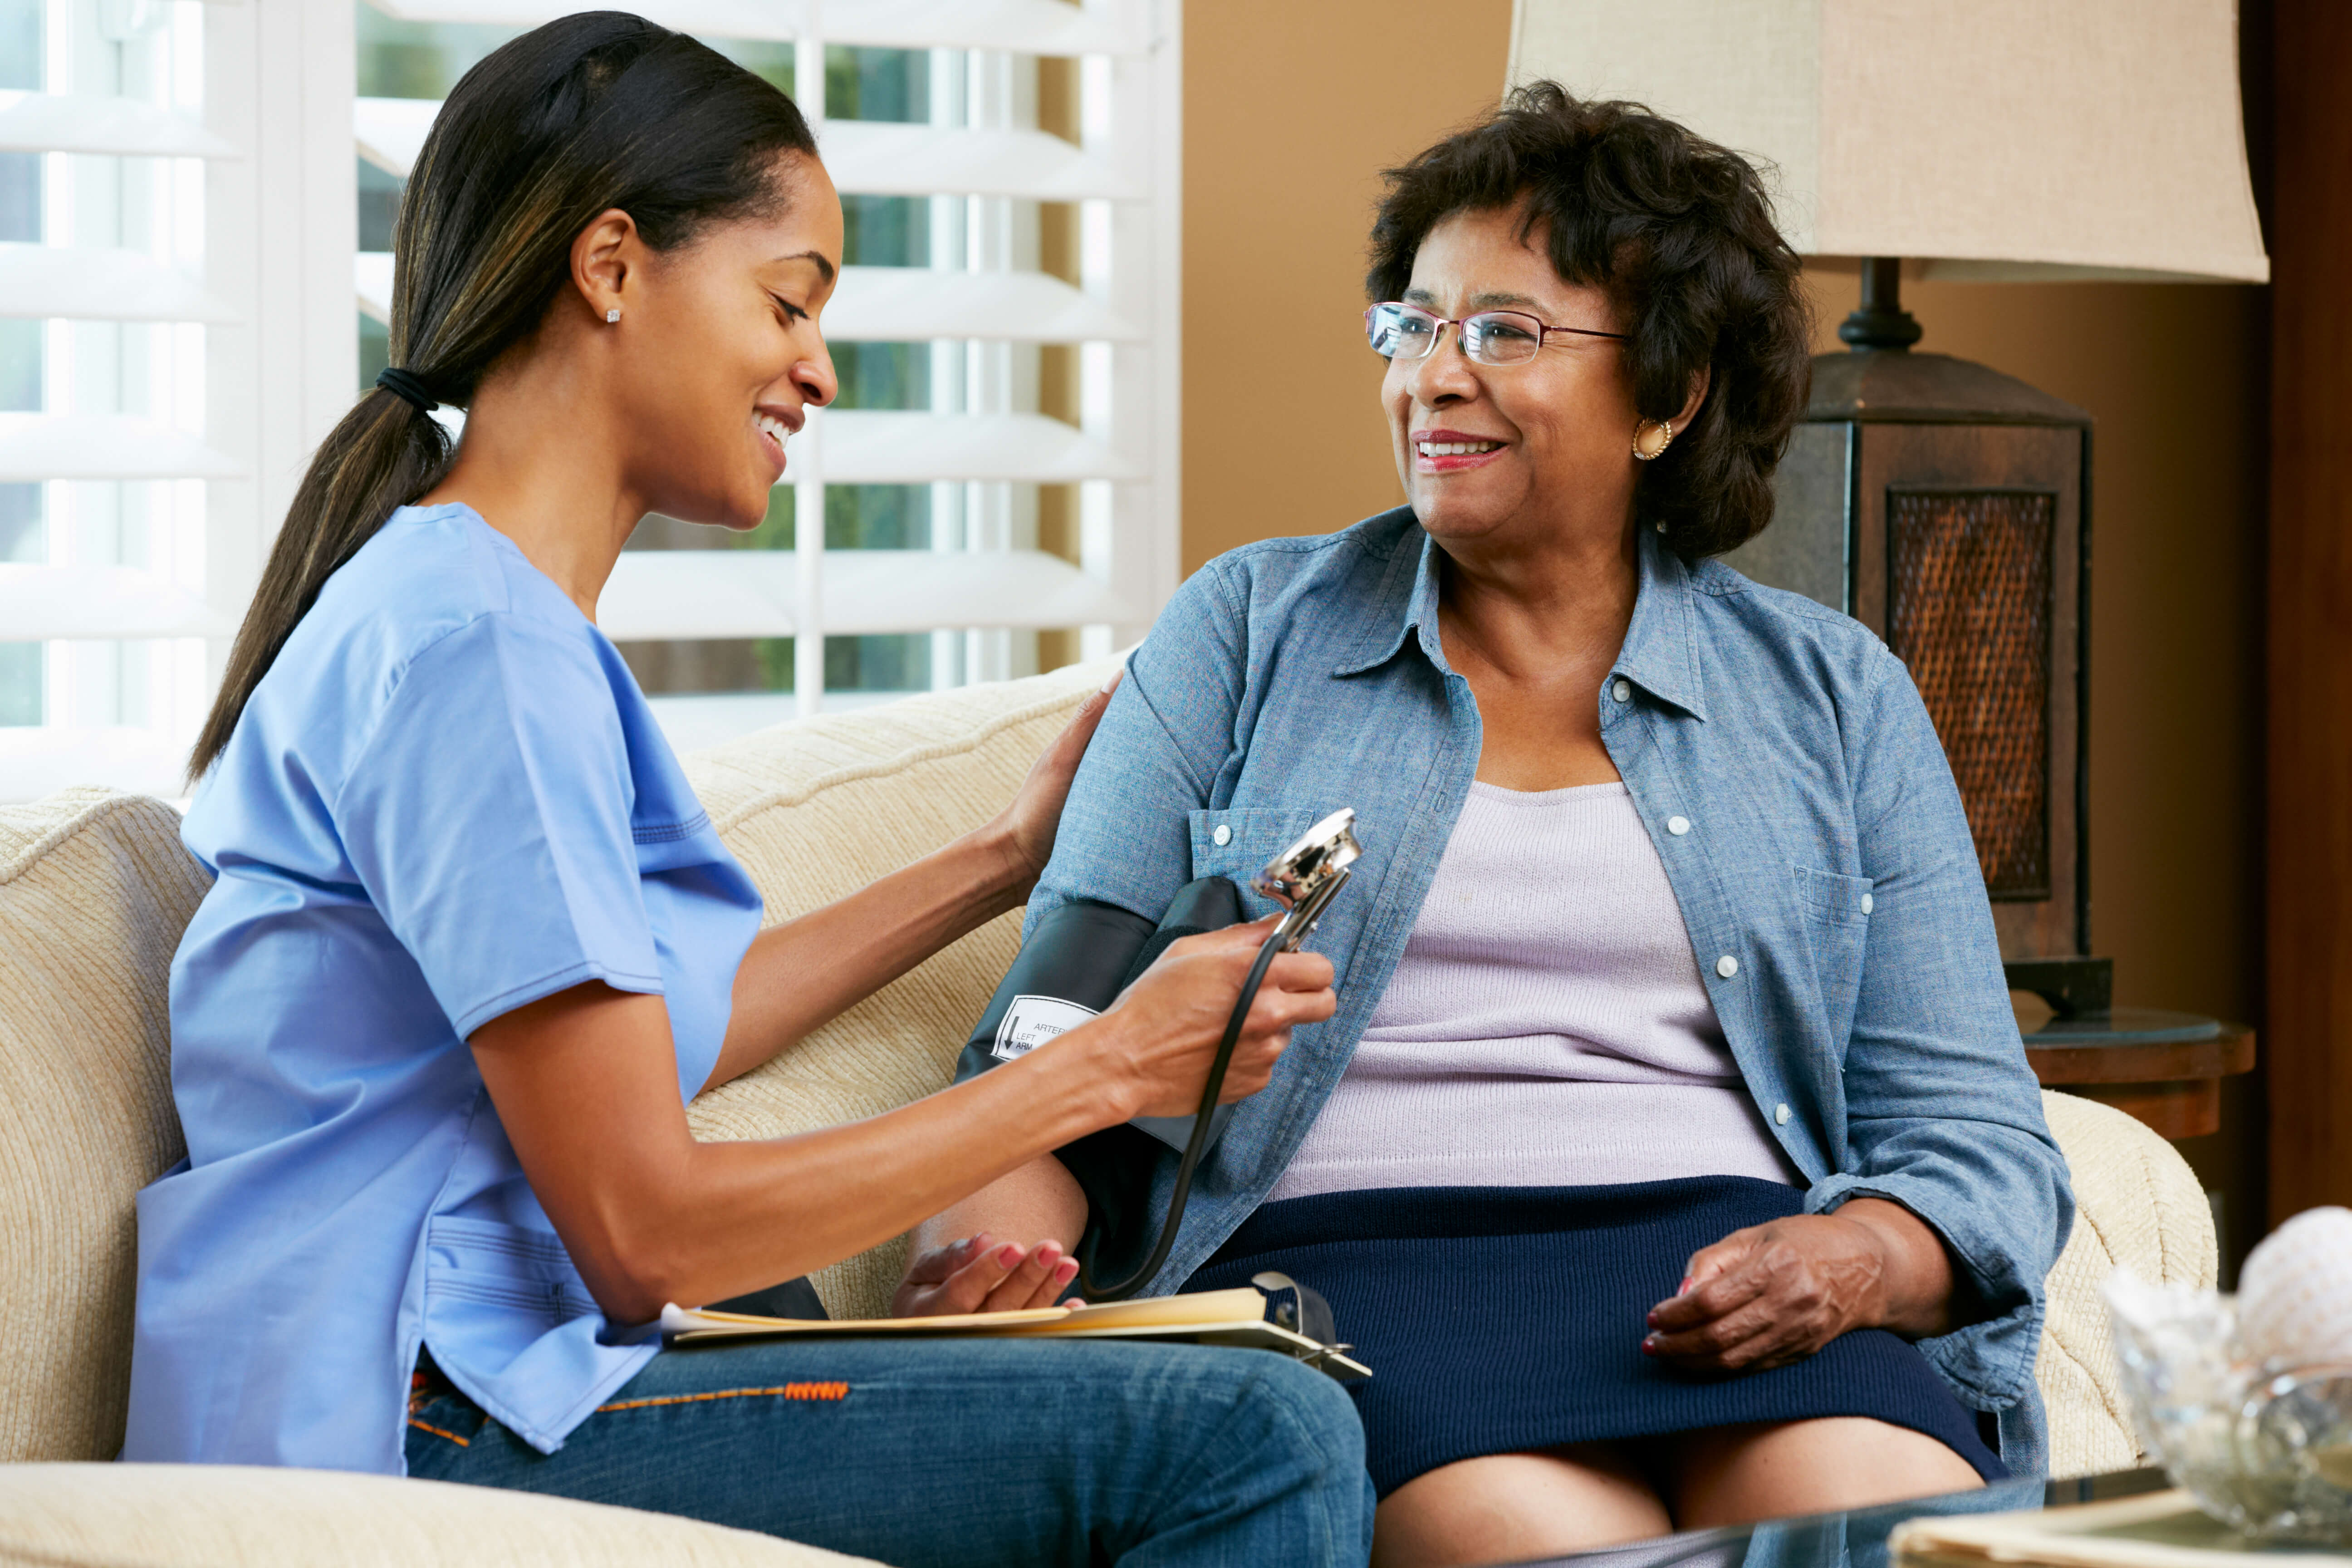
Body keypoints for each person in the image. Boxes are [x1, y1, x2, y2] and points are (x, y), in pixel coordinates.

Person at [123, 16, 1372, 1566]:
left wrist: (1000, 857)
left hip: (472, 1381)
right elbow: (645, 1232)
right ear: (612, 266)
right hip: (411, 1425)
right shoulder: (474, 658)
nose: (819, 368)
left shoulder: (484, 622)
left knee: (1169, 1379)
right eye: (789, 300)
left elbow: (663, 1035)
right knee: (1261, 1434)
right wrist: (1108, 1069)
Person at [911, 85, 2074, 1567]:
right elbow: (1043, 1041)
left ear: (1671, 395)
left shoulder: (1834, 694)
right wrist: (984, 1258)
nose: (1432, 377)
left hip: (1727, 1269)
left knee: (1869, 1519)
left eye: (1505, 333)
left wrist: (1856, 1257)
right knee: (1523, 1537)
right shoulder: (1247, 629)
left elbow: (1977, 1134)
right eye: (1413, 324)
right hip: (1363, 1265)